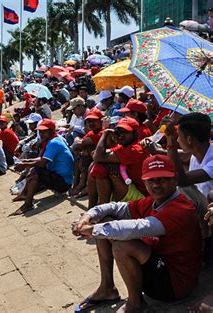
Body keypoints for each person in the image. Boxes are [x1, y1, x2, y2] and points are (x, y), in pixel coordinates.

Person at [72, 155, 202, 313]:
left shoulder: (181, 208)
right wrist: (87, 217)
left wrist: (93, 229)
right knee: (106, 222)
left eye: (162, 179)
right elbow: (114, 207)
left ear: (174, 180)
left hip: (176, 284)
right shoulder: (152, 202)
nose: (156, 185)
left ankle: (135, 303)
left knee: (120, 244)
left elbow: (138, 227)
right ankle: (107, 288)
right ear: (145, 182)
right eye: (151, 181)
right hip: (157, 268)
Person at [11, 119, 74, 215]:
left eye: (44, 131)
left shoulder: (54, 142)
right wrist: (26, 162)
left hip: (64, 183)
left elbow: (42, 163)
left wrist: (25, 164)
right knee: (34, 168)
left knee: (37, 170)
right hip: (60, 178)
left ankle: (28, 204)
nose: (41, 134)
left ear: (51, 131)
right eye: (40, 131)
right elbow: (40, 159)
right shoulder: (53, 140)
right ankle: (24, 194)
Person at [89, 117, 150, 208]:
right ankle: (93, 209)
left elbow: (98, 156)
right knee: (94, 165)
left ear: (136, 134)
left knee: (99, 167)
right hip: (131, 186)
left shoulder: (135, 149)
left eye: (125, 132)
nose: (120, 135)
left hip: (142, 196)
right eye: (118, 131)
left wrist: (105, 134)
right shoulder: (125, 145)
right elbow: (96, 155)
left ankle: (102, 209)